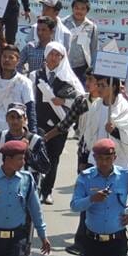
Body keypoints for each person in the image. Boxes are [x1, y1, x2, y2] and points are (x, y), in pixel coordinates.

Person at [30, 41, 83, 204]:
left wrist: (64, 102)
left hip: (60, 125)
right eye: (51, 54)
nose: (53, 58)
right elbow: (30, 98)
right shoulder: (35, 75)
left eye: (57, 55)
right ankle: (34, 188)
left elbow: (80, 99)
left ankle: (47, 191)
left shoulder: (69, 78)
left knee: (53, 158)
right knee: (36, 156)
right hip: (39, 122)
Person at [0, 45, 36, 170]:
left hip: (14, 134)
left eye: (11, 57)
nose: (7, 60)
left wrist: (32, 135)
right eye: (4, 57)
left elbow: (30, 110)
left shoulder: (24, 83)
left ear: (18, 60)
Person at [61, 0, 97, 82]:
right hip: (64, 65)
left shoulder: (91, 27)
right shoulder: (63, 23)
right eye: (76, 8)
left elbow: (94, 49)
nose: (79, 11)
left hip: (82, 68)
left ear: (87, 11)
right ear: (72, 9)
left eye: (83, 9)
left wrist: (92, 68)